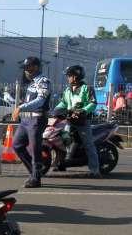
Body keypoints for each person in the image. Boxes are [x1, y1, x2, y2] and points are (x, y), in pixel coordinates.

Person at [12, 57, 52, 188]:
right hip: (26, 119)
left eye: (28, 67)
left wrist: (21, 108)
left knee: (35, 150)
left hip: (37, 119)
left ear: (35, 67)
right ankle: (35, 172)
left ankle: (36, 179)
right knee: (17, 145)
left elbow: (40, 100)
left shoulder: (43, 81)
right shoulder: (32, 83)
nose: (26, 71)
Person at [54, 65, 100, 177]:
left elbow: (93, 103)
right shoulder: (68, 90)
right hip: (69, 121)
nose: (67, 78)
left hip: (82, 122)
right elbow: (63, 103)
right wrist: (56, 110)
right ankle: (62, 164)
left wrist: (83, 111)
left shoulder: (87, 88)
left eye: (69, 76)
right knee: (63, 141)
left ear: (75, 77)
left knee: (88, 144)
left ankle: (95, 170)